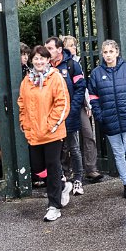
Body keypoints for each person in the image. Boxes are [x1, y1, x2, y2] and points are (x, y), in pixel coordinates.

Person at [18, 44, 72, 222]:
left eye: (42, 58)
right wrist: (24, 123)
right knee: (38, 168)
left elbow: (62, 103)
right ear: (31, 61)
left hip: (52, 133)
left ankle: (54, 206)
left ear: (48, 60)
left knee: (53, 166)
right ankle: (62, 186)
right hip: (34, 133)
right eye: (36, 58)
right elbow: (22, 104)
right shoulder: (27, 81)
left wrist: (51, 124)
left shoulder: (55, 78)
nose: (39, 61)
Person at [88, 39, 126, 199]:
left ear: (117, 52)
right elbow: (93, 96)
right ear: (102, 54)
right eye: (105, 52)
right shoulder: (96, 73)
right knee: (119, 153)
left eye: (111, 51)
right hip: (109, 119)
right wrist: (100, 115)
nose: (108, 55)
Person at [45, 36, 86, 196]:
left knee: (74, 148)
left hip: (69, 115)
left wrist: (72, 109)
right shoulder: (45, 66)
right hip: (52, 118)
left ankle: (78, 180)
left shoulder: (72, 65)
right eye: (46, 48)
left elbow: (80, 88)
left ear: (59, 49)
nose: (47, 51)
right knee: (56, 151)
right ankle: (60, 180)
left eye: (50, 48)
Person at [62, 35, 102, 182]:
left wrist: (87, 104)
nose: (74, 48)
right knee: (66, 140)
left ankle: (91, 169)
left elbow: (82, 87)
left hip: (79, 105)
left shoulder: (77, 63)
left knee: (88, 134)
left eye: (74, 45)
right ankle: (65, 171)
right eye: (70, 45)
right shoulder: (62, 65)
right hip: (65, 107)